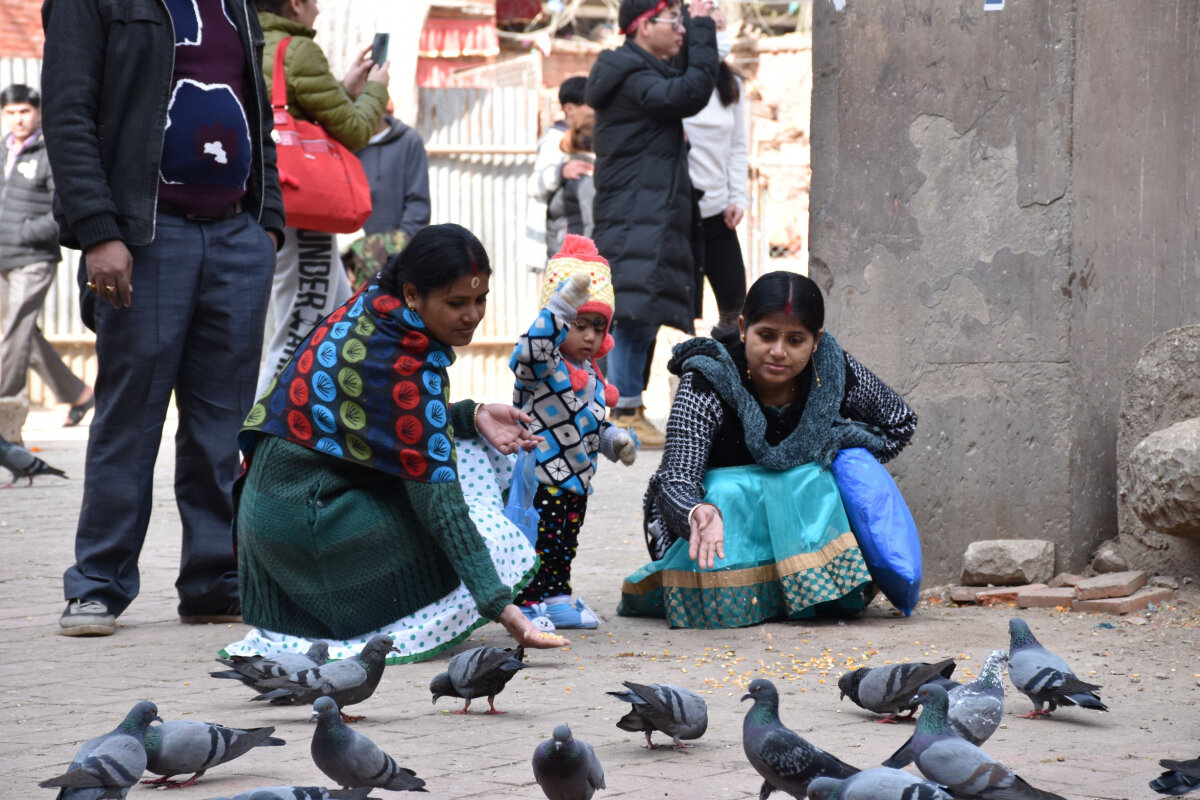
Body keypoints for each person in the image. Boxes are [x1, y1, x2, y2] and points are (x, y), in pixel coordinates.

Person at [41, 0, 285, 636]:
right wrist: (98, 231)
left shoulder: (236, 5)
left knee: (224, 426)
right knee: (129, 418)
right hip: (145, 240)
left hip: (237, 237)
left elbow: (259, 113)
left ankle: (214, 581)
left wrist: (270, 226)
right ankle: (98, 583)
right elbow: (67, 115)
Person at [226, 223, 570, 663]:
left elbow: (372, 423)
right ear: (412, 295)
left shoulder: (372, 311)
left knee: (468, 448)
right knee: (490, 535)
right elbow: (443, 510)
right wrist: (502, 608)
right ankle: (388, 625)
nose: (472, 315)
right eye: (456, 303)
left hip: (276, 515)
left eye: (480, 299)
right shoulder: (406, 364)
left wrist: (472, 414)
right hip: (306, 528)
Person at [618, 271, 918, 629]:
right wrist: (695, 511)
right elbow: (677, 478)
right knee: (728, 491)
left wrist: (841, 443)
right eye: (766, 336)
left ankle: (812, 594)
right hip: (712, 532)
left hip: (801, 518)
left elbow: (899, 421)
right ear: (743, 328)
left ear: (816, 341)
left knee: (816, 476)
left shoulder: (833, 370)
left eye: (795, 340)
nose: (779, 352)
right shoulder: (707, 378)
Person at [586, 0, 718, 448]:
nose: (680, 30)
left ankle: (627, 406)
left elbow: (683, 79)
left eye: (682, 22)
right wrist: (701, 28)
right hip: (635, 214)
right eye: (673, 21)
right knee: (632, 314)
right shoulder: (635, 79)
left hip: (643, 213)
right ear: (643, 27)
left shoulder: (636, 71)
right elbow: (692, 91)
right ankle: (622, 409)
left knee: (640, 313)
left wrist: (699, 25)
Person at [254, 0, 390, 396]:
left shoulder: (248, 37)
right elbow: (356, 128)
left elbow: (292, 113)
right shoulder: (296, 50)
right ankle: (257, 443)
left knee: (340, 323)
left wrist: (344, 89)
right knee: (293, 340)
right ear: (295, 5)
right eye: (313, 1)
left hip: (268, 207)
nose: (319, 8)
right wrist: (377, 87)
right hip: (302, 214)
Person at [509, 235, 637, 630]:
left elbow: (592, 426)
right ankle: (528, 603)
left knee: (564, 544)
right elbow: (528, 351)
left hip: (577, 481)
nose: (590, 337)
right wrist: (559, 308)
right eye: (578, 325)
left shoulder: (594, 379)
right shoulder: (543, 366)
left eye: (598, 328)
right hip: (542, 477)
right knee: (539, 544)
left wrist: (615, 440)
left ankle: (557, 598)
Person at [0, 84, 93, 427]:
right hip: (3, 259)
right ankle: (78, 393)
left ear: (37, 112)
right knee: (23, 333)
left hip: (34, 259)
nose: (18, 119)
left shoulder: (49, 152)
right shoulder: (3, 150)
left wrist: (24, 232)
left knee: (14, 332)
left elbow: (64, 208)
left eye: (24, 111)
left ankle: (4, 407)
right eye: (11, 112)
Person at [682, 7, 748, 324]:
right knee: (677, 312)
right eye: (710, 27)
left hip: (719, 215)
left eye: (722, 27)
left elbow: (738, 146)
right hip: (681, 217)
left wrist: (739, 197)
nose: (717, 35)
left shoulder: (732, 83)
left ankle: (730, 372)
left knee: (737, 313)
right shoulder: (676, 81)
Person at [344, 104, 431, 291]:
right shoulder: (342, 143)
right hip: (347, 269)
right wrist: (344, 259)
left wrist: (375, 254)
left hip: (396, 268)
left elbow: (417, 214)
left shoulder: (409, 141)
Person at [527, 76, 592, 268]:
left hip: (582, 239)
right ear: (570, 109)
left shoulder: (590, 139)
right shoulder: (554, 141)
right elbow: (534, 186)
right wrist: (560, 172)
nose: (595, 111)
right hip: (562, 241)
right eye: (589, 105)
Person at [544, 111, 596, 257]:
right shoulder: (584, 177)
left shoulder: (570, 169)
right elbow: (591, 224)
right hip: (574, 262)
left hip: (563, 255)